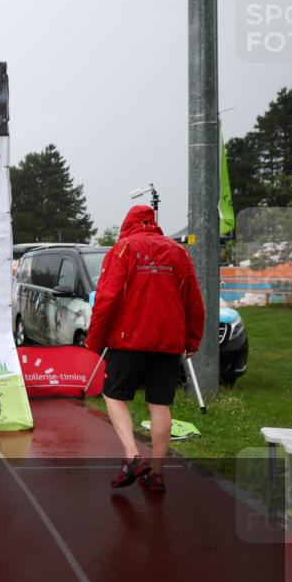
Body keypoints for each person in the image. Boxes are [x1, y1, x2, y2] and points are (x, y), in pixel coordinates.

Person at [86, 204, 205, 493]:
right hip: (168, 341)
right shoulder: (179, 252)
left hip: (129, 338)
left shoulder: (122, 249)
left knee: (113, 394)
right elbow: (193, 300)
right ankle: (157, 472)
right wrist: (192, 339)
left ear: (128, 223)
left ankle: (132, 456)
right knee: (160, 404)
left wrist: (95, 339)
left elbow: (106, 297)